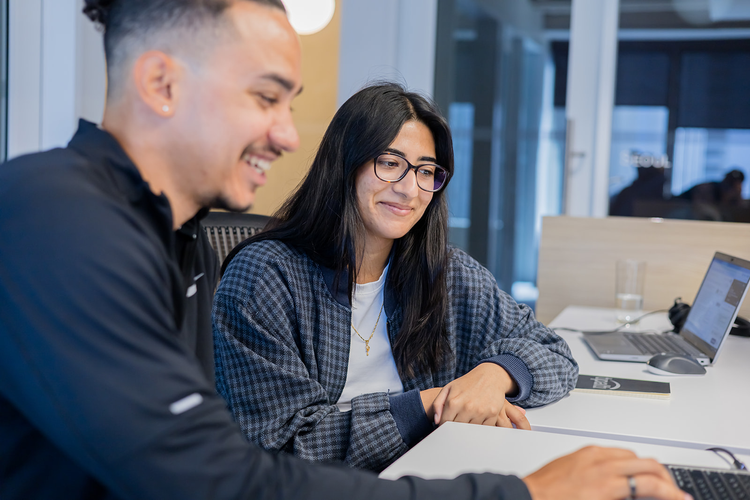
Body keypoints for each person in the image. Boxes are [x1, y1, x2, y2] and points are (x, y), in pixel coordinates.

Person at [0, 1, 688, 499]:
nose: (288, 135)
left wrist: (494, 384)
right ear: (161, 84)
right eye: (266, 97)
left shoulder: (155, 234)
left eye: (425, 171)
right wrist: (523, 493)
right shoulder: (57, 220)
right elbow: (226, 477)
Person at [213, 83, 574, 471]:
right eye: (389, 163)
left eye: (425, 171)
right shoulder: (264, 278)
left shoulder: (446, 273)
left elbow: (555, 353)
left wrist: (494, 375)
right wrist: (432, 404)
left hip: (427, 474)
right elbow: (283, 445)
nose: (408, 189)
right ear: (345, 163)